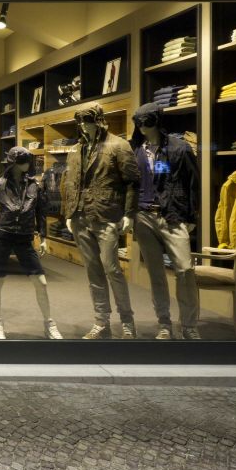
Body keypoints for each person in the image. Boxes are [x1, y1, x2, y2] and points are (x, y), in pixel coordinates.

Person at [62, 103, 140, 339]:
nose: (84, 126)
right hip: (80, 216)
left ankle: (127, 321)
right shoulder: (76, 149)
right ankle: (101, 321)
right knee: (93, 271)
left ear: (99, 121)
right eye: (81, 122)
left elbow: (132, 182)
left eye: (88, 121)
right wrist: (68, 213)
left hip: (106, 215)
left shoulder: (118, 145)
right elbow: (69, 182)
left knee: (112, 268)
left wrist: (129, 214)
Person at [130, 103, 201, 340]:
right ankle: (164, 324)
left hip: (173, 215)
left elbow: (193, 183)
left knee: (185, 269)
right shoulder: (134, 149)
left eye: (146, 121)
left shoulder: (179, 147)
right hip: (143, 216)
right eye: (138, 122)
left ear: (157, 121)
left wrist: (191, 216)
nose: (142, 127)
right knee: (156, 273)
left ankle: (189, 325)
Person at [0, 146, 63, 339]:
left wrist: (43, 237)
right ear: (13, 163)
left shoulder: (35, 185)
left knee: (41, 282)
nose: (27, 164)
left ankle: (49, 323)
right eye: (22, 161)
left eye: (27, 160)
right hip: (4, 235)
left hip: (25, 238)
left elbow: (41, 212)